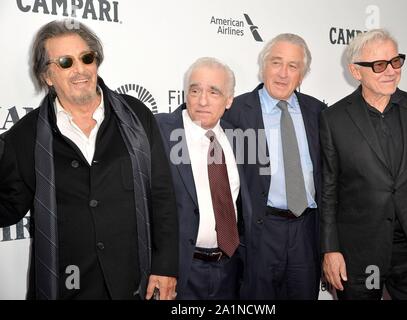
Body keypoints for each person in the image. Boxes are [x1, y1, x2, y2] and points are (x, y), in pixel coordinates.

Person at [0, 19, 178, 300]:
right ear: (48, 76)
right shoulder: (25, 136)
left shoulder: (136, 115)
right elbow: (9, 206)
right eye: (65, 62)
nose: (80, 69)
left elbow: (163, 195)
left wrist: (166, 265)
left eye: (86, 58)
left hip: (134, 284)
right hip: (66, 286)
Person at [320, 28, 407, 300]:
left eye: (396, 61)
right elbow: (328, 189)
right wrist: (330, 249)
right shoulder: (334, 119)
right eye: (379, 65)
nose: (391, 71)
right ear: (356, 71)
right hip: (360, 255)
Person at [223, 33, 325, 299]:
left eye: (293, 66)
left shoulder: (319, 113)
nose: (283, 73)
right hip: (260, 232)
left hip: (306, 231)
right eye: (276, 62)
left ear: (302, 74)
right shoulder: (234, 112)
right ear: (263, 66)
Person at [156, 57, 253, 299]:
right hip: (178, 271)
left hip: (230, 270)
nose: (202, 100)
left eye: (214, 92)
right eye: (195, 90)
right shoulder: (159, 131)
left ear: (229, 100)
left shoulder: (239, 138)